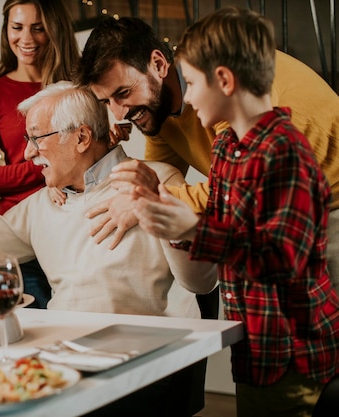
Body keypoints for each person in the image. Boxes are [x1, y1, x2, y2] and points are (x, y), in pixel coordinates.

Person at [0, 81, 217, 416]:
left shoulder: (156, 181)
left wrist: (159, 211)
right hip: (63, 361)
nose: (27, 153)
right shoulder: (41, 205)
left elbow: (202, 283)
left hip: (142, 366)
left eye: (37, 138)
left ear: (81, 138)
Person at [129, 7, 339, 417]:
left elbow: (282, 260)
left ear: (224, 81)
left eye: (190, 82)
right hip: (256, 348)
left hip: (294, 350)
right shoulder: (227, 148)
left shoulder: (287, 151)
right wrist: (173, 221)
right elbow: (227, 227)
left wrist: (192, 226)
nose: (185, 97)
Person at [74, 11, 339, 293]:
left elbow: (232, 189)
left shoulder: (232, 95)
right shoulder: (162, 112)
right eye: (107, 102)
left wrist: (150, 202)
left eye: (124, 93)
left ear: (159, 64)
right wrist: (101, 157)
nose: (118, 113)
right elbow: (158, 176)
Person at [0, 0, 80, 308]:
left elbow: (89, 156)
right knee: (35, 334)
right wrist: (51, 167)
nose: (26, 39)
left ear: (54, 31)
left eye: (38, 28)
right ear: (6, 31)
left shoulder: (76, 86)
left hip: (73, 224)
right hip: (20, 236)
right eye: (17, 28)